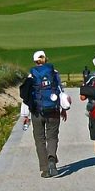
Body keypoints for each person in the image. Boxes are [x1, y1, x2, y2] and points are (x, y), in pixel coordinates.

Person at [22, 50, 67, 178]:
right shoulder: (54, 73)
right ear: (45, 59)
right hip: (53, 109)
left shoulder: (31, 75)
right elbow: (60, 91)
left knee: (39, 139)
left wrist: (25, 115)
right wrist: (63, 109)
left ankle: (45, 168)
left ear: (35, 61)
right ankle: (52, 158)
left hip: (36, 111)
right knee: (52, 136)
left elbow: (26, 97)